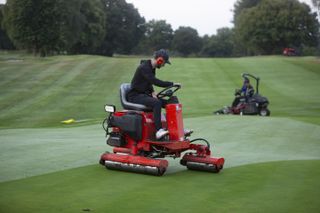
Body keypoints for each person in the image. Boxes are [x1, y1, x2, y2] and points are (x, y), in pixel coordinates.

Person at [127, 49, 179, 140]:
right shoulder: (144, 67)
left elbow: (148, 82)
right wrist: (171, 83)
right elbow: (154, 81)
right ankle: (158, 131)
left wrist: (152, 91)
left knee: (171, 101)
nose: (163, 66)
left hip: (144, 94)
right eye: (164, 63)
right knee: (156, 103)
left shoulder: (151, 68)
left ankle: (176, 128)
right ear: (160, 60)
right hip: (135, 96)